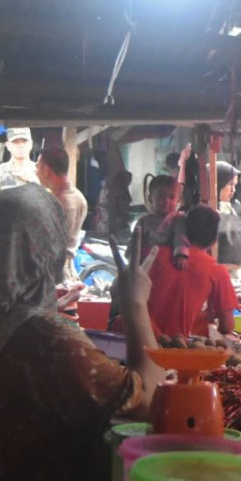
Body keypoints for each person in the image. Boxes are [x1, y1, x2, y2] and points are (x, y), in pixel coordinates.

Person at [0, 184, 164, 479]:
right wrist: (135, 304)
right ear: (48, 247)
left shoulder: (22, 324)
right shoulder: (46, 340)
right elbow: (146, 403)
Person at [147, 205, 237, 337]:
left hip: (136, 339)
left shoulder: (154, 254)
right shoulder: (217, 270)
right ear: (215, 239)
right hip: (176, 350)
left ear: (183, 230)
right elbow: (227, 326)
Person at [36, 147, 88, 283]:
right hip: (61, 268)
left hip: (57, 272)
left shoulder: (64, 203)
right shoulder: (76, 196)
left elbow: (54, 244)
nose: (36, 172)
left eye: (38, 167)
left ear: (46, 170)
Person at [129, 174, 189, 269]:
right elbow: (134, 242)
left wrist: (180, 255)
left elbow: (181, 237)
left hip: (169, 264)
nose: (166, 201)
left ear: (178, 200)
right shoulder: (143, 221)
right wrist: (132, 258)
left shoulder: (178, 219)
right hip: (146, 265)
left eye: (171, 197)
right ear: (150, 198)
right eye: (160, 196)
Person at [216, 160, 241, 268]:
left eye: (235, 185)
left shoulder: (234, 207)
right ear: (217, 182)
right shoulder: (204, 213)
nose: (233, 190)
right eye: (229, 184)